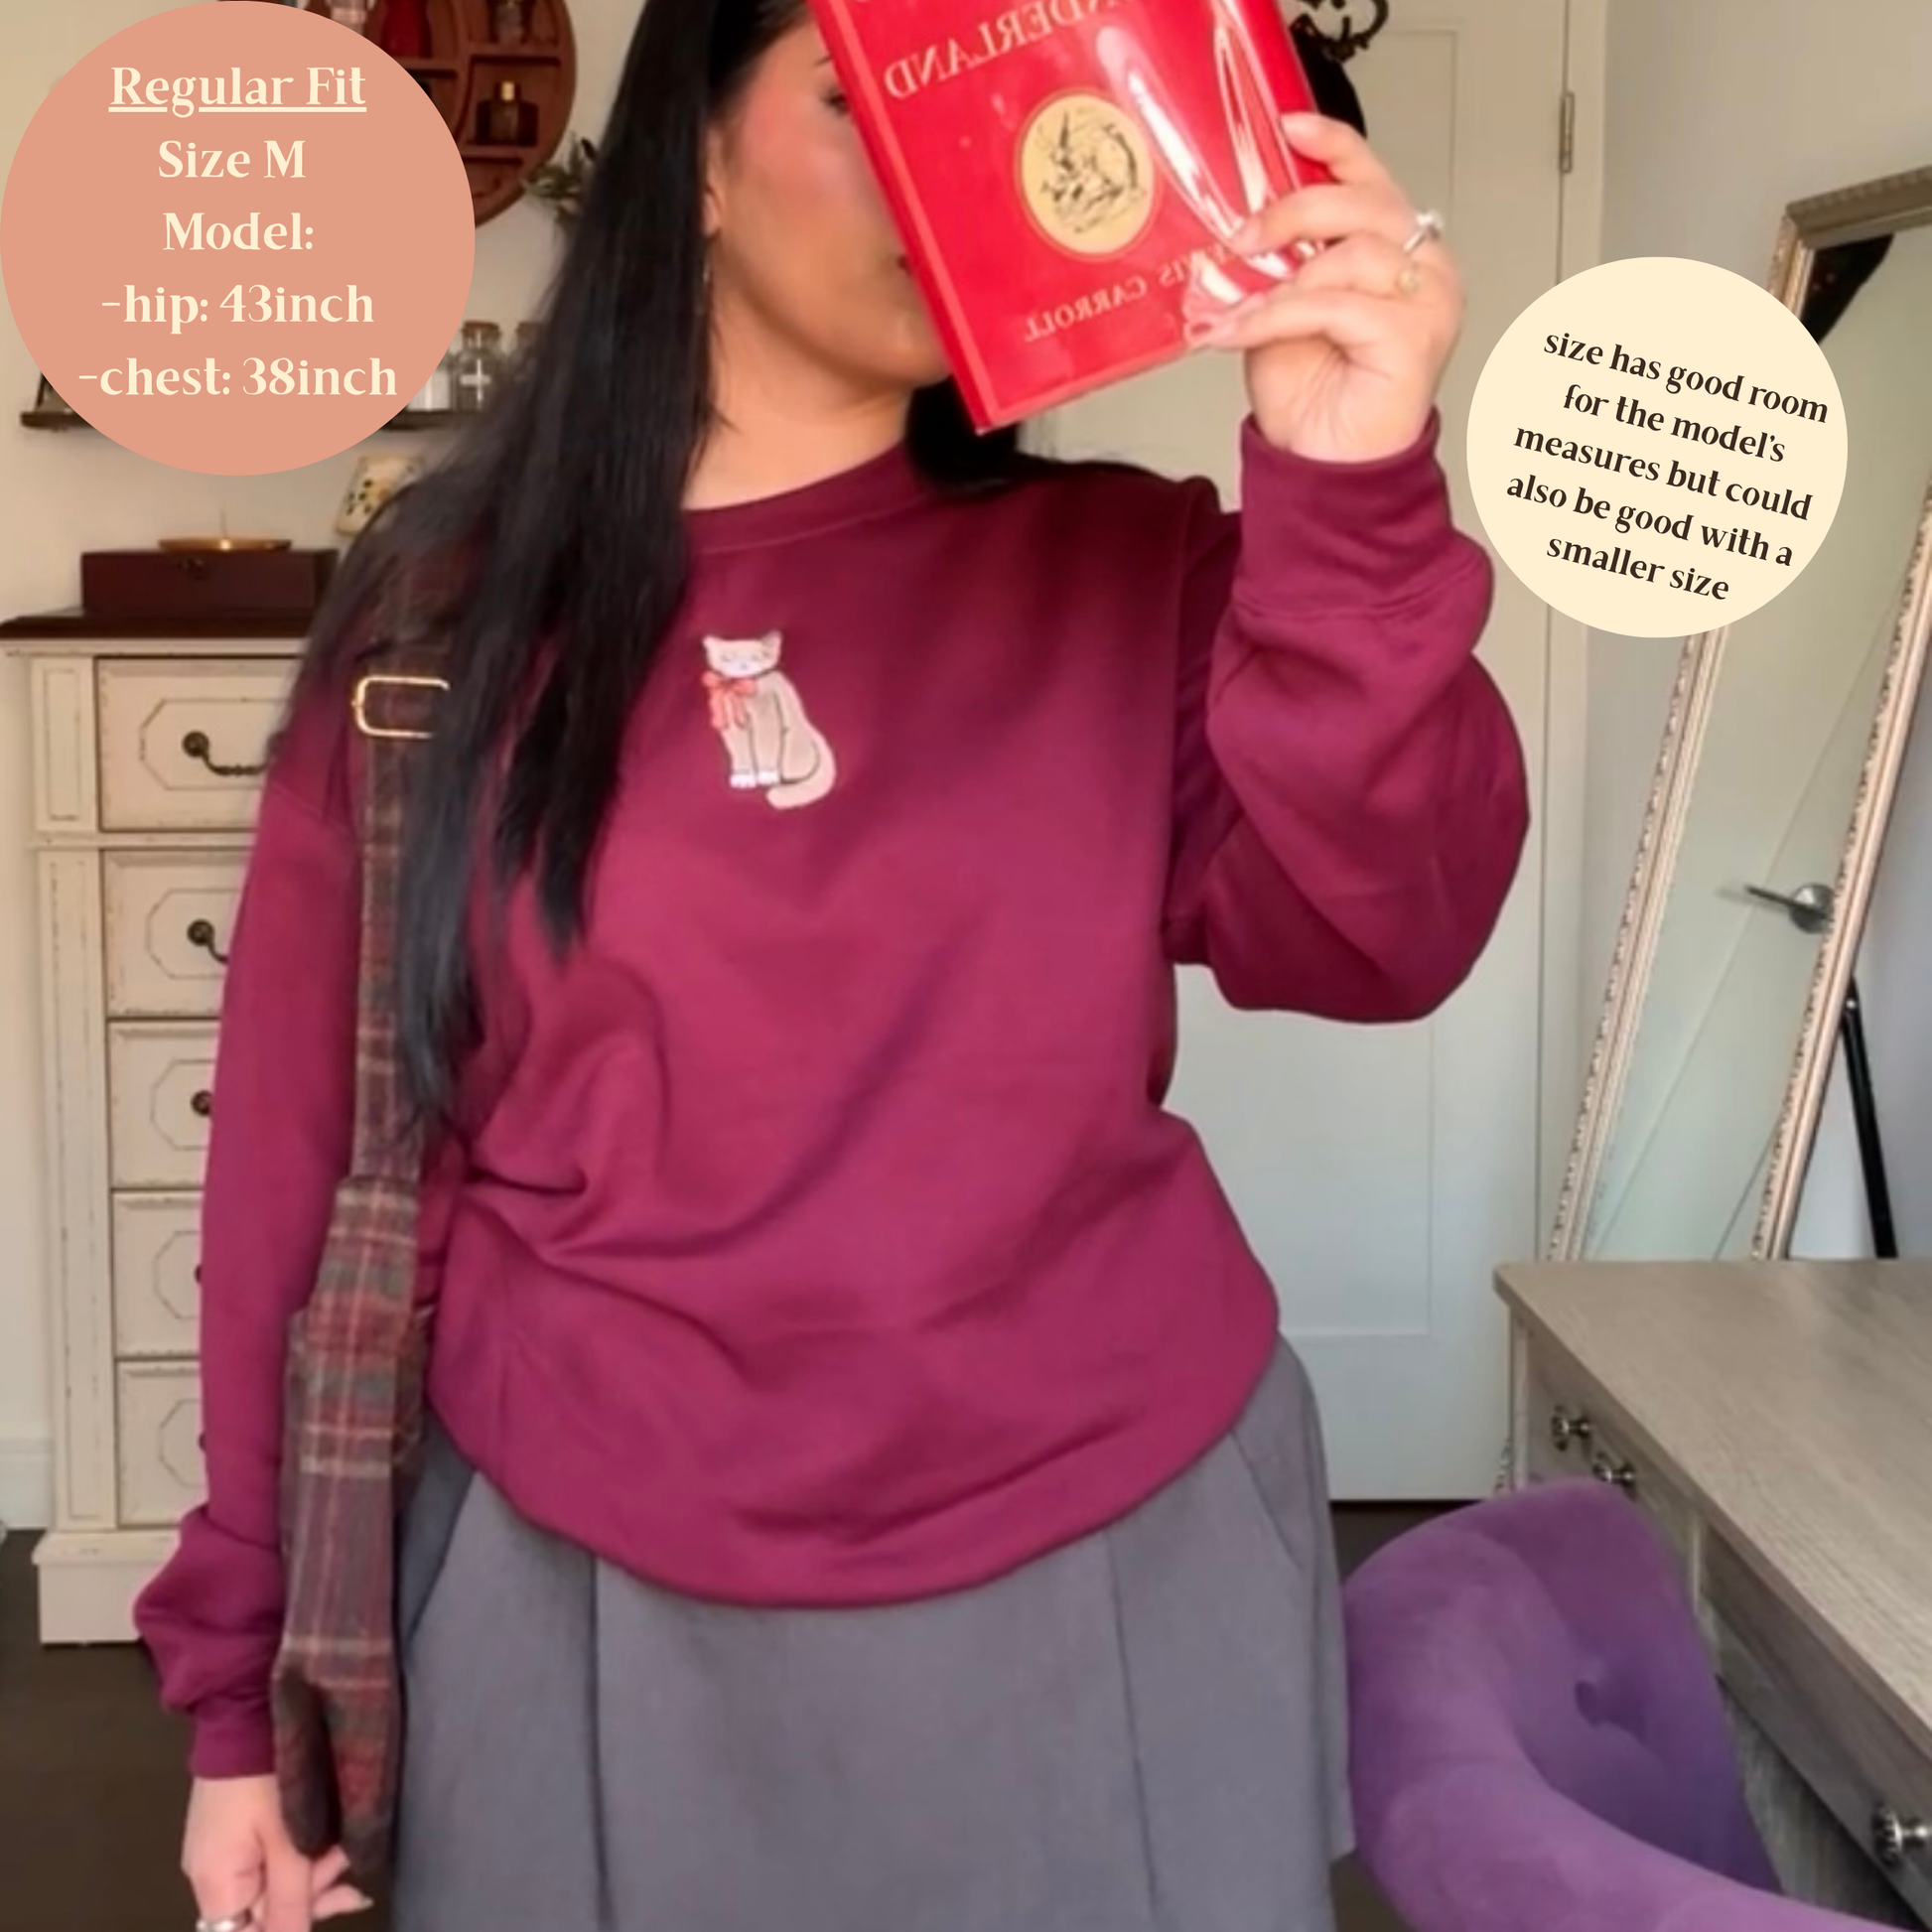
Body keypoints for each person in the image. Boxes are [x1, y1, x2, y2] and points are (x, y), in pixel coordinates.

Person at [135, 1, 1530, 1928]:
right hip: (577, 1575)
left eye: (998, 97)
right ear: (696, 159)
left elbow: (1383, 936)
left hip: (1121, 1547)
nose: (950, 172)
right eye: (869, 98)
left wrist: (1348, 487)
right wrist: (237, 1698)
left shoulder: (1143, 570)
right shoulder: (438, 627)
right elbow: (292, 1174)